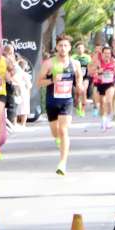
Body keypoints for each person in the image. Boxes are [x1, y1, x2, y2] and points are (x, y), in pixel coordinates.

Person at [38, 34, 84, 176]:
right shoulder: (49, 63)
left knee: (63, 130)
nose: (63, 48)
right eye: (60, 46)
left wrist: (80, 88)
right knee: (55, 132)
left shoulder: (75, 63)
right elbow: (39, 82)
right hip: (52, 101)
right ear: (56, 47)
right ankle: (58, 138)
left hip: (67, 101)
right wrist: (52, 79)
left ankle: (62, 163)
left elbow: (79, 80)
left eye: (65, 46)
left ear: (70, 48)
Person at [90, 43, 115, 132]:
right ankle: (103, 121)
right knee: (102, 103)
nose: (107, 55)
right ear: (102, 54)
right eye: (105, 53)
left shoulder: (113, 61)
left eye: (109, 53)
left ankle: (108, 120)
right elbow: (91, 71)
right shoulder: (98, 61)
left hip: (110, 83)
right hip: (99, 83)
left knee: (108, 101)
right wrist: (98, 71)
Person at [12, 56, 32, 127]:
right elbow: (29, 85)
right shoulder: (25, 74)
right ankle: (23, 124)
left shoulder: (16, 74)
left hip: (17, 92)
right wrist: (29, 93)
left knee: (17, 108)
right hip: (23, 93)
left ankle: (15, 123)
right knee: (24, 109)